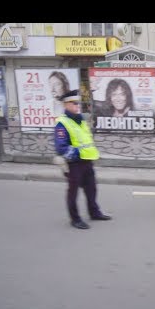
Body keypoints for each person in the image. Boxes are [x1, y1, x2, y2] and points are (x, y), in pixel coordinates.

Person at [54, 89, 111, 230]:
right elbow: (61, 147)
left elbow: (86, 140)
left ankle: (94, 213)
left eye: (78, 103)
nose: (77, 106)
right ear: (66, 105)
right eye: (74, 103)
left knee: (92, 189)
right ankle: (75, 219)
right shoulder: (62, 123)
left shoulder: (80, 120)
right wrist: (77, 154)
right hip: (74, 164)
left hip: (87, 162)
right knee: (73, 192)